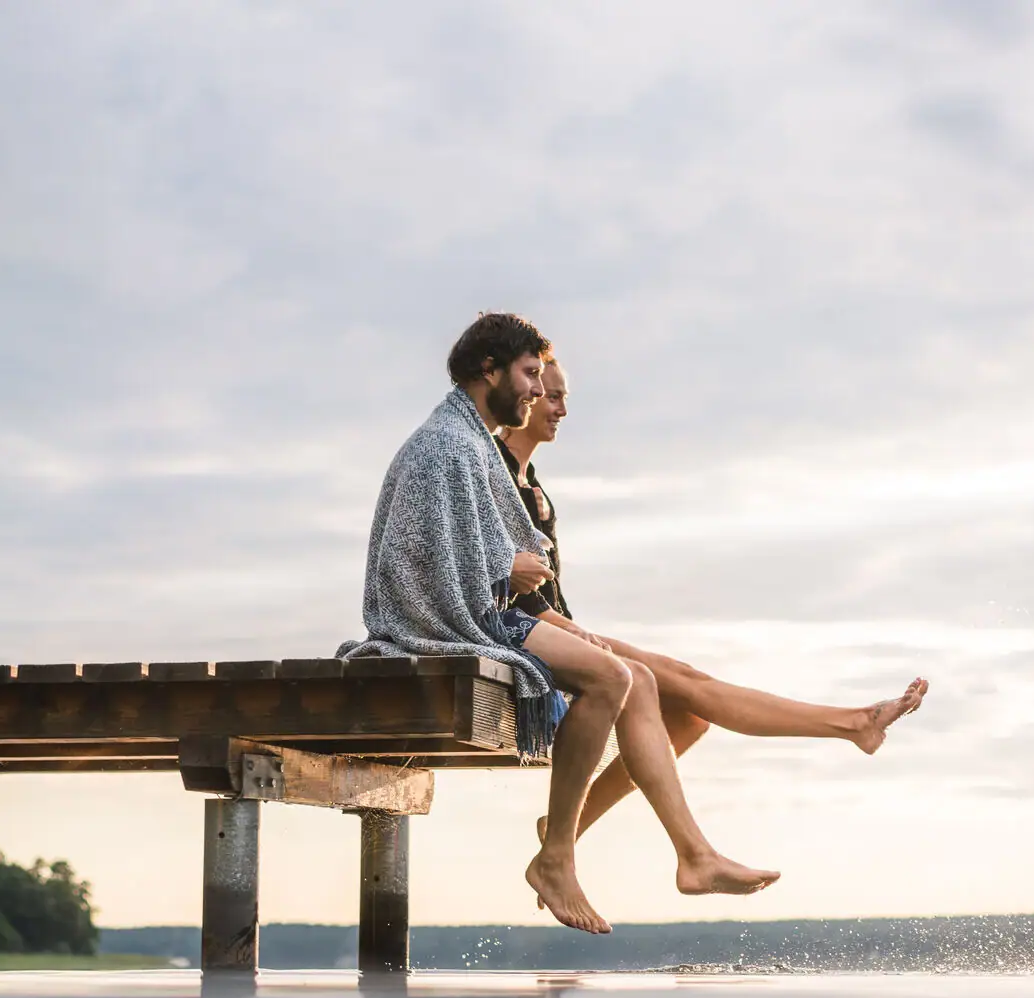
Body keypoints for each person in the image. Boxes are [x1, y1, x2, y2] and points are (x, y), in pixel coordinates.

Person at [341, 313, 777, 936]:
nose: (534, 390)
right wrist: (506, 567)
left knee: (630, 677)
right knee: (608, 677)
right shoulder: (450, 446)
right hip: (446, 623)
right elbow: (426, 560)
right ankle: (559, 858)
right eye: (527, 375)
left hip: (480, 612)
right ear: (487, 370)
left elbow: (470, 547)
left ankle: (689, 855)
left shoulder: (468, 438)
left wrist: (510, 568)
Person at [489, 354, 929, 850]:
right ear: (521, 394)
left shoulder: (531, 483)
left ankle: (567, 830)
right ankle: (852, 723)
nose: (562, 408)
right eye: (552, 395)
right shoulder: (494, 472)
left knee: (692, 711)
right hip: (528, 633)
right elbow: (502, 588)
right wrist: (574, 636)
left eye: (565, 396)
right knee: (679, 686)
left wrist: (570, 629)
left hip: (558, 627)